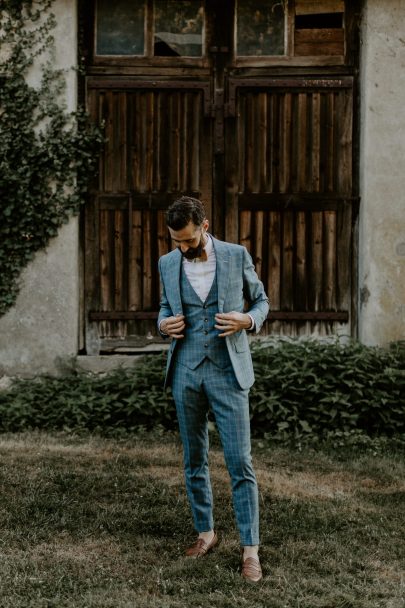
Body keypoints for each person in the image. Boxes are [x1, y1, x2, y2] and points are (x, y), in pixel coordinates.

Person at [157, 196, 269, 583]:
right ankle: (205, 532)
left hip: (227, 372)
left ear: (204, 225)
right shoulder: (167, 263)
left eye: (188, 240)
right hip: (186, 371)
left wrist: (247, 320)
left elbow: (262, 302)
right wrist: (163, 325)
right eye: (177, 242)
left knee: (240, 463)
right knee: (194, 459)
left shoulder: (237, 255)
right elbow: (163, 307)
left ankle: (250, 549)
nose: (183, 249)